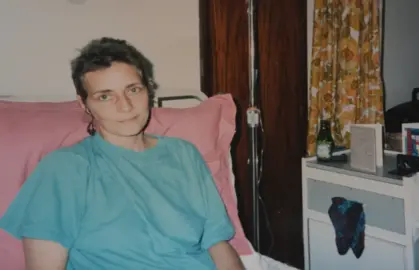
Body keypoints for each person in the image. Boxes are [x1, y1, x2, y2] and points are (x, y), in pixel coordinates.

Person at [0, 37, 244, 270]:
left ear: (148, 90)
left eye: (133, 90)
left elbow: (217, 244)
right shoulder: (64, 168)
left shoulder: (184, 153)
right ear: (84, 105)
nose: (125, 106)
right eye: (105, 96)